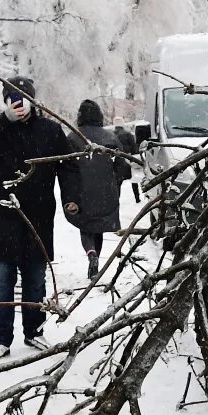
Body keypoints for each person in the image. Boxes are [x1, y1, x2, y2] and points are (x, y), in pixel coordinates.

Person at [0, 76, 78, 359]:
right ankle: (0, 339)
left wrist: (71, 198)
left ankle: (35, 331)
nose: (18, 105)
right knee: (0, 281)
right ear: (5, 101)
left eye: (23, 99)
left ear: (33, 101)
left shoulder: (51, 130)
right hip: (0, 216)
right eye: (12, 99)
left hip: (37, 216)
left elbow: (67, 166)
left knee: (35, 279)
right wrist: (4, 121)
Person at [63, 99, 132, 282]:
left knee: (85, 226)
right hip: (106, 190)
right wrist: (115, 183)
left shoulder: (73, 137)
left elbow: (66, 167)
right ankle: (96, 259)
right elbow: (121, 165)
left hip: (81, 190)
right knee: (98, 227)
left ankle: (91, 253)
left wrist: (70, 192)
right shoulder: (111, 137)